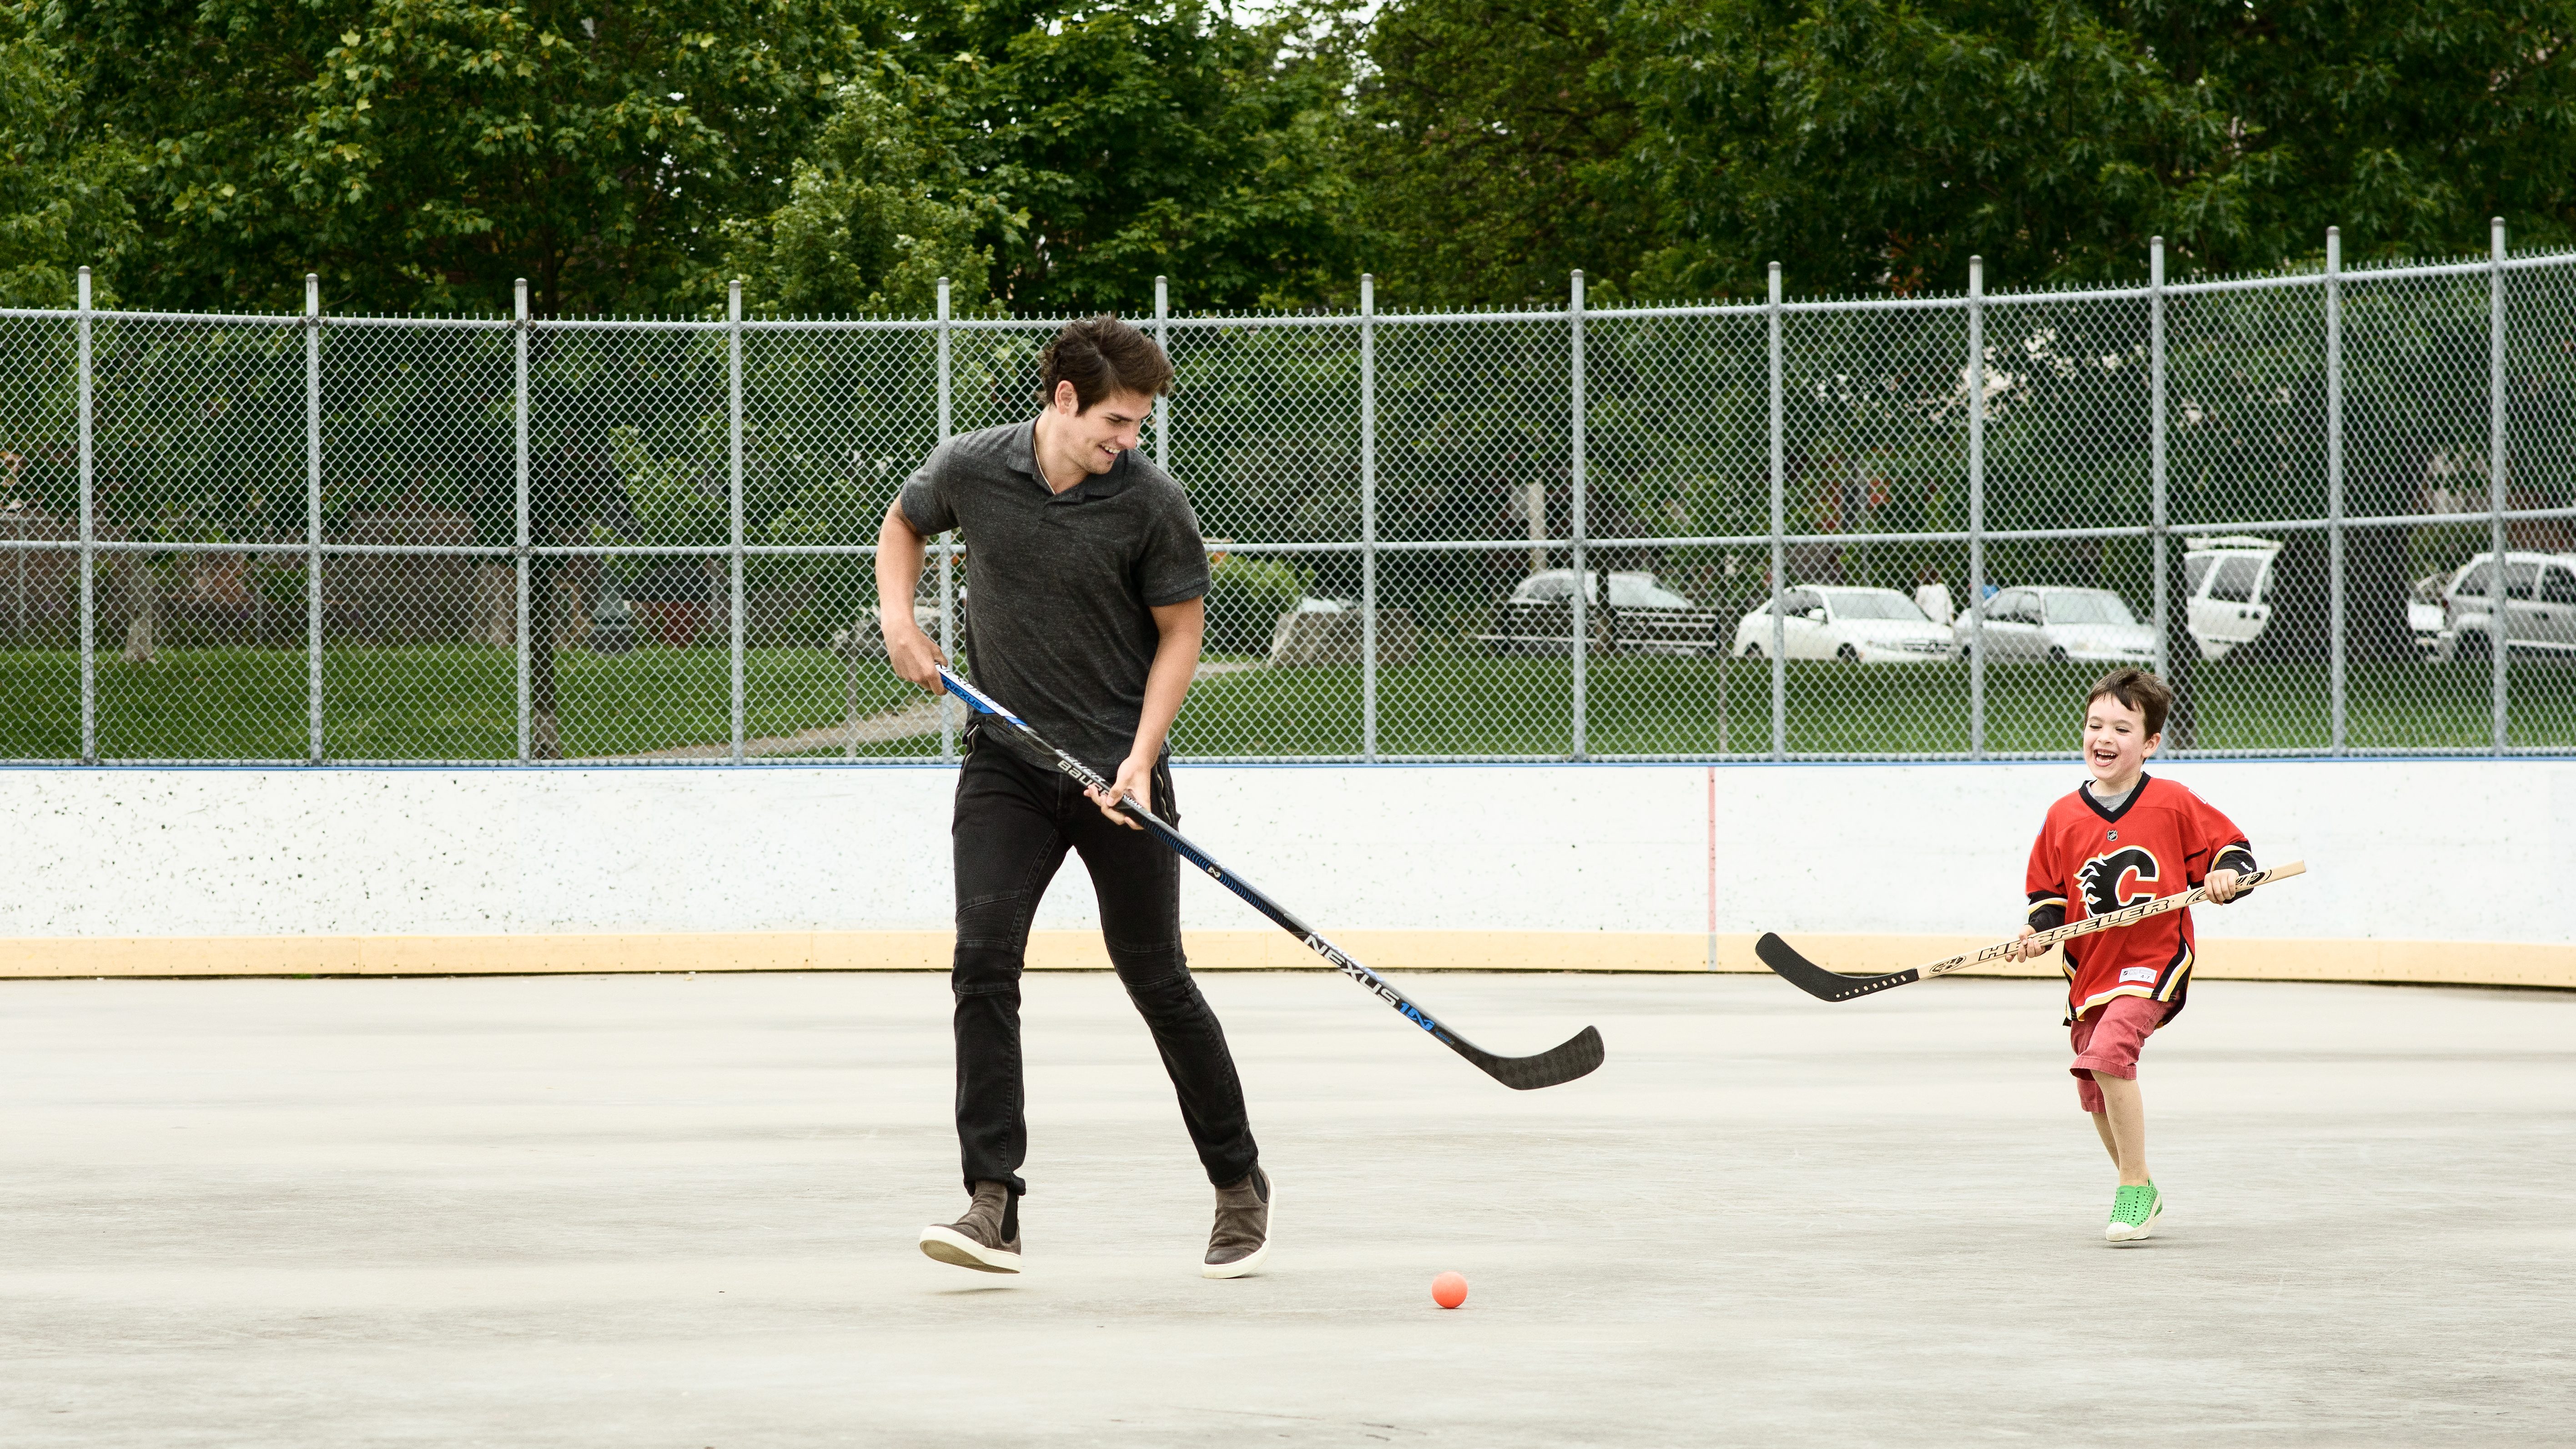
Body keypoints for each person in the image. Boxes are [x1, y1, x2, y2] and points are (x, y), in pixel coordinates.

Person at [875, 315, 1270, 1280]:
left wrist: (1140, 761)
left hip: (1118, 775)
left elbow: (1182, 634)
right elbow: (904, 523)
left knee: (1157, 979)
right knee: (982, 963)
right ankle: (992, 1204)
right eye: (1118, 422)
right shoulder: (972, 468)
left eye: (1137, 426)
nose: (1129, 440)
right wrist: (901, 617)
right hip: (1008, 764)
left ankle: (1238, 1183)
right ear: (1063, 400)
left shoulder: (1150, 503)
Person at [2014, 668, 2255, 1244]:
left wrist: (2226, 875)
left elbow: (2234, 852)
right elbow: (2048, 898)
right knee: (2093, 1079)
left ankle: (2130, 1189)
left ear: (2150, 744)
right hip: (2090, 968)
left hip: (2154, 956)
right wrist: (2039, 931)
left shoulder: (2172, 803)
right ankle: (2142, 1183)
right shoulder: (2062, 816)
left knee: (2111, 1050)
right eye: (2096, 724)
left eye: (2123, 728)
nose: (2104, 736)